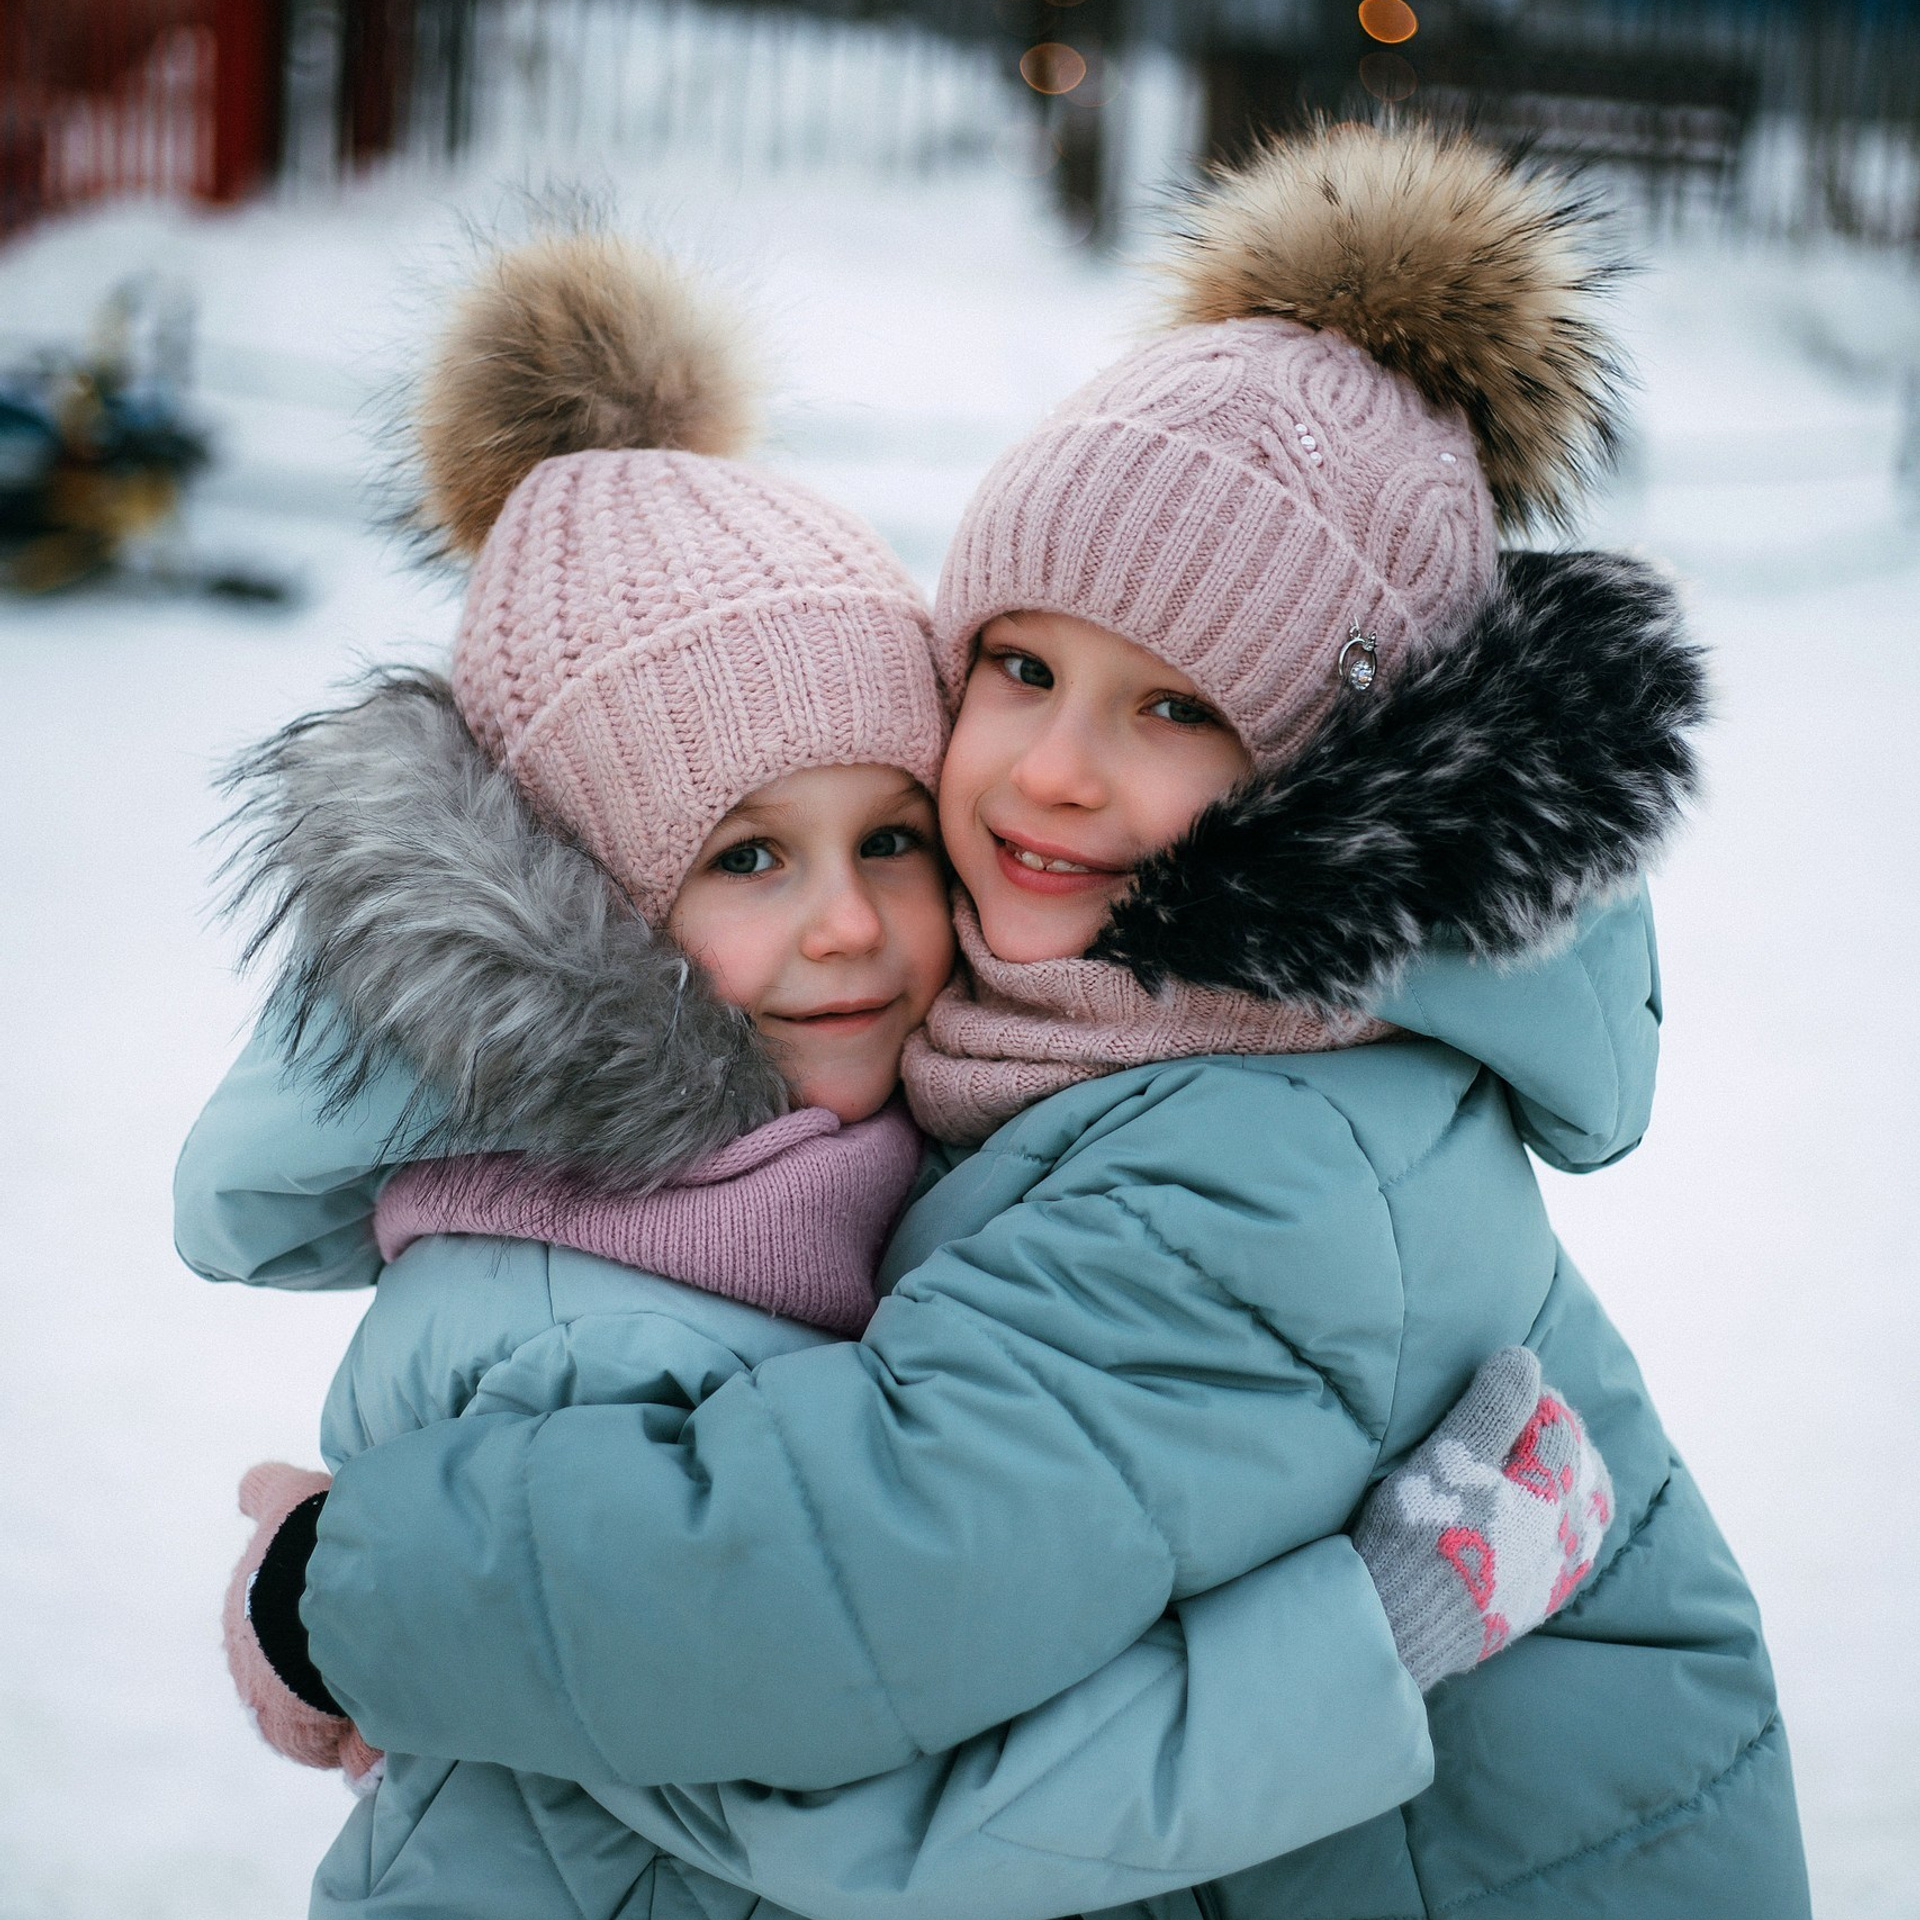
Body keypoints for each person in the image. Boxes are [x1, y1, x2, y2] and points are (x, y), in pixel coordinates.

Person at [184, 124, 1810, 1917]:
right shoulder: (1090, 1020)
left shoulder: (1269, 1151)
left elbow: (850, 1590)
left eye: (1174, 711)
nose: (1048, 769)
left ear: (1326, 770)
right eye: (1020, 666)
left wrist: (345, 1593)